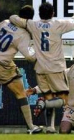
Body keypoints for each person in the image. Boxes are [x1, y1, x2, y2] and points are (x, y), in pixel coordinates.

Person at [10, 2, 74, 133]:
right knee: (65, 98)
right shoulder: (58, 24)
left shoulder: (32, 24)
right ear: (53, 13)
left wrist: (20, 19)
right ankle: (44, 104)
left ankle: (50, 127)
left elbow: (13, 18)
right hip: (55, 67)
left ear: (39, 14)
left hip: (40, 68)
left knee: (49, 96)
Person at [26, 48, 74, 134]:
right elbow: (51, 83)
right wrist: (34, 90)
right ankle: (72, 124)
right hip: (71, 110)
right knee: (63, 131)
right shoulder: (68, 72)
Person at [0, 5, 42, 134]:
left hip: (6, 62)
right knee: (21, 94)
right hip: (4, 65)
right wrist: (39, 52)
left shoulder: (5, 22)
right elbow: (30, 57)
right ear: (29, 19)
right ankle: (31, 126)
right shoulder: (23, 34)